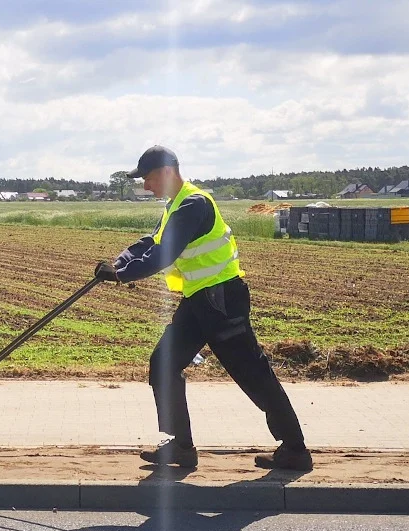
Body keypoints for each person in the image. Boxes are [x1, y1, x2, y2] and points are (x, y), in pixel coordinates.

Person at [94, 146, 311, 471]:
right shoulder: (176, 206)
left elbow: (163, 253)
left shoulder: (194, 204)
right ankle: (181, 447)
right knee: (163, 364)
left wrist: (122, 275)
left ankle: (295, 449)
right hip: (199, 302)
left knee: (253, 373)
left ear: (167, 172)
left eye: (149, 179)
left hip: (222, 301)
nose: (146, 187)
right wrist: (119, 261)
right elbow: (152, 241)